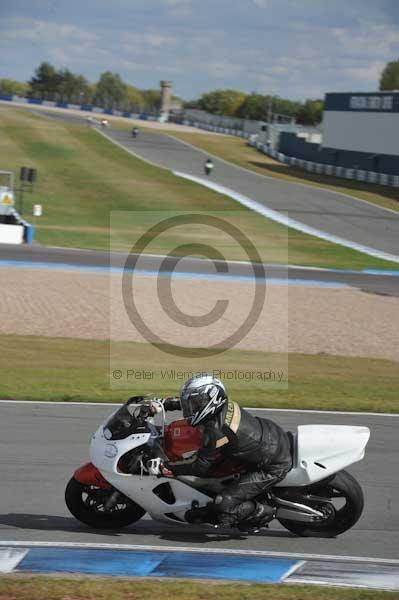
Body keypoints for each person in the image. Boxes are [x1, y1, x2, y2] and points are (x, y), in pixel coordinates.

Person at [162, 374, 292, 528]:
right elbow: (200, 406)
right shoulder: (223, 405)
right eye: (190, 403)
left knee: (223, 505)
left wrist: (169, 467)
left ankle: (261, 512)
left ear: (211, 400)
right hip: (270, 436)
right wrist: (169, 404)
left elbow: (199, 466)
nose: (191, 407)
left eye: (194, 403)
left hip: (273, 465)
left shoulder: (216, 431)